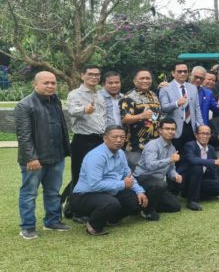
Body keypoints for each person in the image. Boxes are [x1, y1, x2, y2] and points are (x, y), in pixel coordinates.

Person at [16, 71, 72, 239]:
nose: (50, 86)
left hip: (56, 156)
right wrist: (31, 158)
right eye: (46, 83)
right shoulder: (25, 105)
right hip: (35, 160)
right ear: (35, 84)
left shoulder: (55, 101)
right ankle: (27, 227)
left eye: (53, 83)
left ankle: (52, 221)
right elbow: (24, 135)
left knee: (53, 192)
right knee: (29, 193)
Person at [71, 126, 149, 236]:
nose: (118, 140)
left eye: (122, 137)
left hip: (108, 192)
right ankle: (93, 225)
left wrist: (139, 191)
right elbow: (95, 185)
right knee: (111, 203)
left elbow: (127, 175)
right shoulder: (96, 156)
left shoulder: (120, 153)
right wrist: (122, 184)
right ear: (105, 138)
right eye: (114, 137)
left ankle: (110, 219)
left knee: (136, 201)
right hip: (85, 195)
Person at [62, 65, 107, 220]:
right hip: (83, 140)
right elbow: (72, 110)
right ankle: (75, 211)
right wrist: (84, 109)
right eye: (90, 74)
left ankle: (85, 206)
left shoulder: (100, 95)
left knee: (95, 175)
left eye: (97, 75)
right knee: (79, 175)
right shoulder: (75, 94)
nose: (94, 77)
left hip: (100, 140)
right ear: (82, 76)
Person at [133, 118, 183, 219]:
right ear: (160, 130)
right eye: (167, 128)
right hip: (142, 178)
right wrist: (169, 159)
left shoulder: (172, 148)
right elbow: (150, 165)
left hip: (157, 183)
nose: (170, 131)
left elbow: (170, 169)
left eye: (173, 129)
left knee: (175, 207)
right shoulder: (153, 145)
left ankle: (143, 205)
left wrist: (175, 175)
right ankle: (147, 211)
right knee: (161, 184)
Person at [177, 125, 219, 211]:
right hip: (186, 180)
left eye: (207, 134)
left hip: (201, 180)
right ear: (196, 135)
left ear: (210, 136)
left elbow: (214, 171)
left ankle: (192, 193)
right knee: (197, 167)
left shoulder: (211, 149)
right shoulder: (190, 145)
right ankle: (192, 201)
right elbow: (192, 160)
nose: (205, 136)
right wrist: (215, 162)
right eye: (202, 133)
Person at [120, 69, 161, 170]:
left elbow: (155, 115)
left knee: (152, 177)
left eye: (148, 78)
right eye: (142, 78)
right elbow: (124, 118)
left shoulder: (154, 95)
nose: (145, 81)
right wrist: (141, 116)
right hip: (135, 146)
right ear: (135, 81)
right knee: (136, 176)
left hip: (153, 144)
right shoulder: (129, 97)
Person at [160, 62, 204, 153]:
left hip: (191, 128)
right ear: (173, 73)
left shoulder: (193, 88)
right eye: (179, 71)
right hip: (174, 129)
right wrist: (177, 103)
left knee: (191, 156)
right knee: (175, 157)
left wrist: (201, 126)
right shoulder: (165, 88)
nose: (183, 74)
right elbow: (164, 108)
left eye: (185, 71)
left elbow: (197, 108)